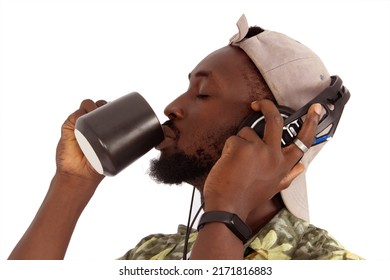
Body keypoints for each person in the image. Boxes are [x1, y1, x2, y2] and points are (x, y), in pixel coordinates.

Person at [8, 14, 362, 260]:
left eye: (203, 93)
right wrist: (71, 185)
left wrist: (227, 211)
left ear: (273, 131)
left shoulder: (329, 264)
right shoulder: (154, 255)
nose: (172, 107)